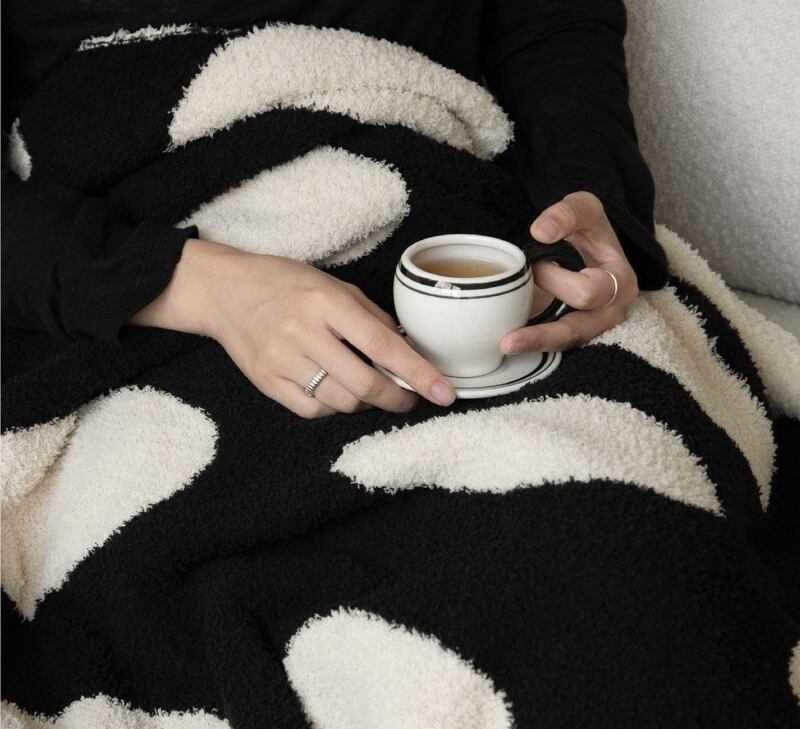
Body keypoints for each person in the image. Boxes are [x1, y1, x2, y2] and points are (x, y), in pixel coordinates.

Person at [2, 0, 668, 419]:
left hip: (465, 249)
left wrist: (590, 204)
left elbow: (551, 24)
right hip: (118, 295)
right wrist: (184, 283)